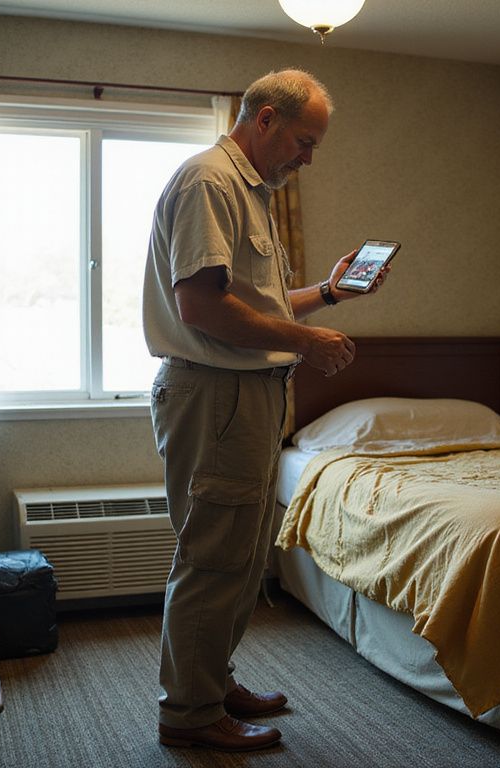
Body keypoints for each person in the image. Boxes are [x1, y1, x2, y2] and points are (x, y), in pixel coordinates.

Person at [142, 68, 388, 752]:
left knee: (243, 557)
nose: (309, 158)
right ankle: (189, 714)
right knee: (213, 557)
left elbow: (256, 306)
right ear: (267, 120)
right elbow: (202, 307)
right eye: (305, 142)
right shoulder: (210, 182)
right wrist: (307, 343)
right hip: (216, 391)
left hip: (245, 394)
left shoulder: (249, 191)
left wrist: (330, 296)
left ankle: (211, 682)